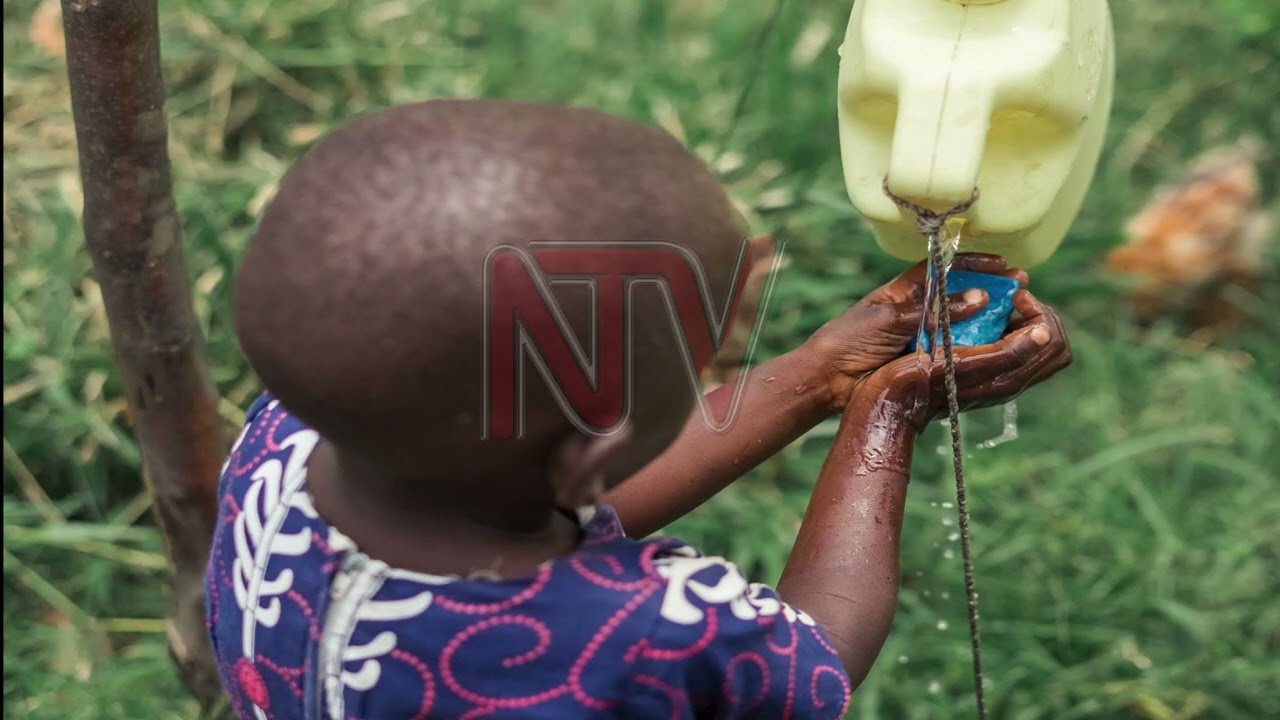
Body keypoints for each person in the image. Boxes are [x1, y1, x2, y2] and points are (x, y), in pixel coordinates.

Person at [205, 98, 1071, 719]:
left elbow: (553, 497)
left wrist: (822, 373)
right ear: (587, 449)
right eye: (702, 370)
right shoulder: (649, 636)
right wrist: (887, 413)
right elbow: (816, 660)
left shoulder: (287, 442)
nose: (716, 383)